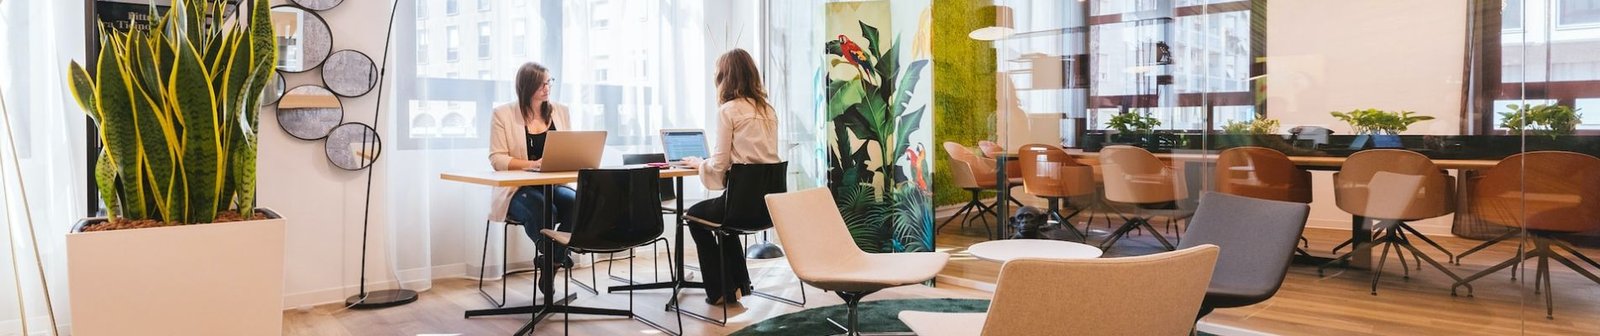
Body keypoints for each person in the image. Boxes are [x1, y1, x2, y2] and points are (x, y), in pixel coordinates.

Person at [680, 49, 781, 305]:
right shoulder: (768, 110)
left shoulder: (728, 110)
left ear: (725, 77)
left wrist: (698, 163)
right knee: (726, 221)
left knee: (694, 217)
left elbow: (720, 163)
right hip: (767, 207)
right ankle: (739, 285)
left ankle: (720, 290)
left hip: (740, 204)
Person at [487, 63, 577, 276]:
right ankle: (558, 256)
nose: (547, 88)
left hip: (553, 184)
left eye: (549, 82)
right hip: (517, 188)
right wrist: (533, 164)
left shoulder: (560, 111)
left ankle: (551, 261)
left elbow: (568, 147)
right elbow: (497, 158)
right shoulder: (503, 114)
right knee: (544, 208)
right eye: (541, 84)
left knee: (577, 203)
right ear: (526, 87)